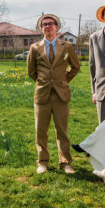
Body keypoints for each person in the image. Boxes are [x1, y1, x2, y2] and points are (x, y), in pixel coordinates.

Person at [27, 14, 81, 174]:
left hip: (61, 94)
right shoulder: (35, 47)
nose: (48, 26)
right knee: (41, 131)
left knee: (62, 130)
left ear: (57, 27)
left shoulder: (67, 46)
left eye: (51, 24)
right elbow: (31, 71)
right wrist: (43, 82)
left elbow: (75, 67)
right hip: (42, 94)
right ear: (40, 28)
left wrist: (63, 81)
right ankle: (42, 162)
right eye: (44, 24)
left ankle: (65, 162)